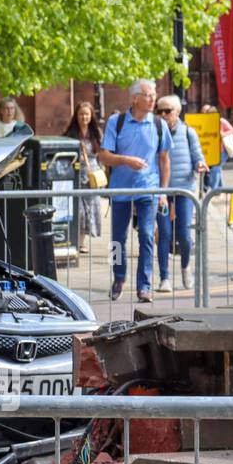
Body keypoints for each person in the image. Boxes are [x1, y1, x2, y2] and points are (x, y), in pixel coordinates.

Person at [97, 78, 172, 303]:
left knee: (147, 236)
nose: (153, 99)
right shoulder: (116, 122)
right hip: (120, 190)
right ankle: (119, 278)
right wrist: (125, 160)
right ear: (134, 98)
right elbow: (104, 156)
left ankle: (144, 286)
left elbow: (164, 160)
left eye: (154, 95)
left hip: (147, 190)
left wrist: (163, 192)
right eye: (148, 95)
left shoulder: (159, 125)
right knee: (118, 239)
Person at [154, 94, 206, 292]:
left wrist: (200, 164)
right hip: (162, 191)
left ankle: (185, 267)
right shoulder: (156, 132)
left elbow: (197, 155)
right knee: (164, 234)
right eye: (160, 111)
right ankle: (164, 278)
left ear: (177, 112)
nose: (164, 115)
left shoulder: (188, 132)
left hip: (184, 190)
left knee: (184, 235)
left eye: (168, 111)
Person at [64, 101, 104, 253]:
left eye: (87, 114)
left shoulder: (96, 133)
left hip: (92, 175)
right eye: (81, 114)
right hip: (75, 174)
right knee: (78, 210)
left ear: (91, 115)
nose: (84, 117)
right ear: (77, 115)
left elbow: (103, 154)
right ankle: (77, 241)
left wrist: (102, 172)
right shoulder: (71, 133)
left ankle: (82, 241)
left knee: (91, 209)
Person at [200, 104, 233, 192]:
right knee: (217, 169)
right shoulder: (206, 123)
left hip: (222, 150)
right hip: (212, 151)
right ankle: (220, 188)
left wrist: (222, 134)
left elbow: (232, 130)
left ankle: (214, 190)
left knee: (215, 169)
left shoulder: (221, 121)